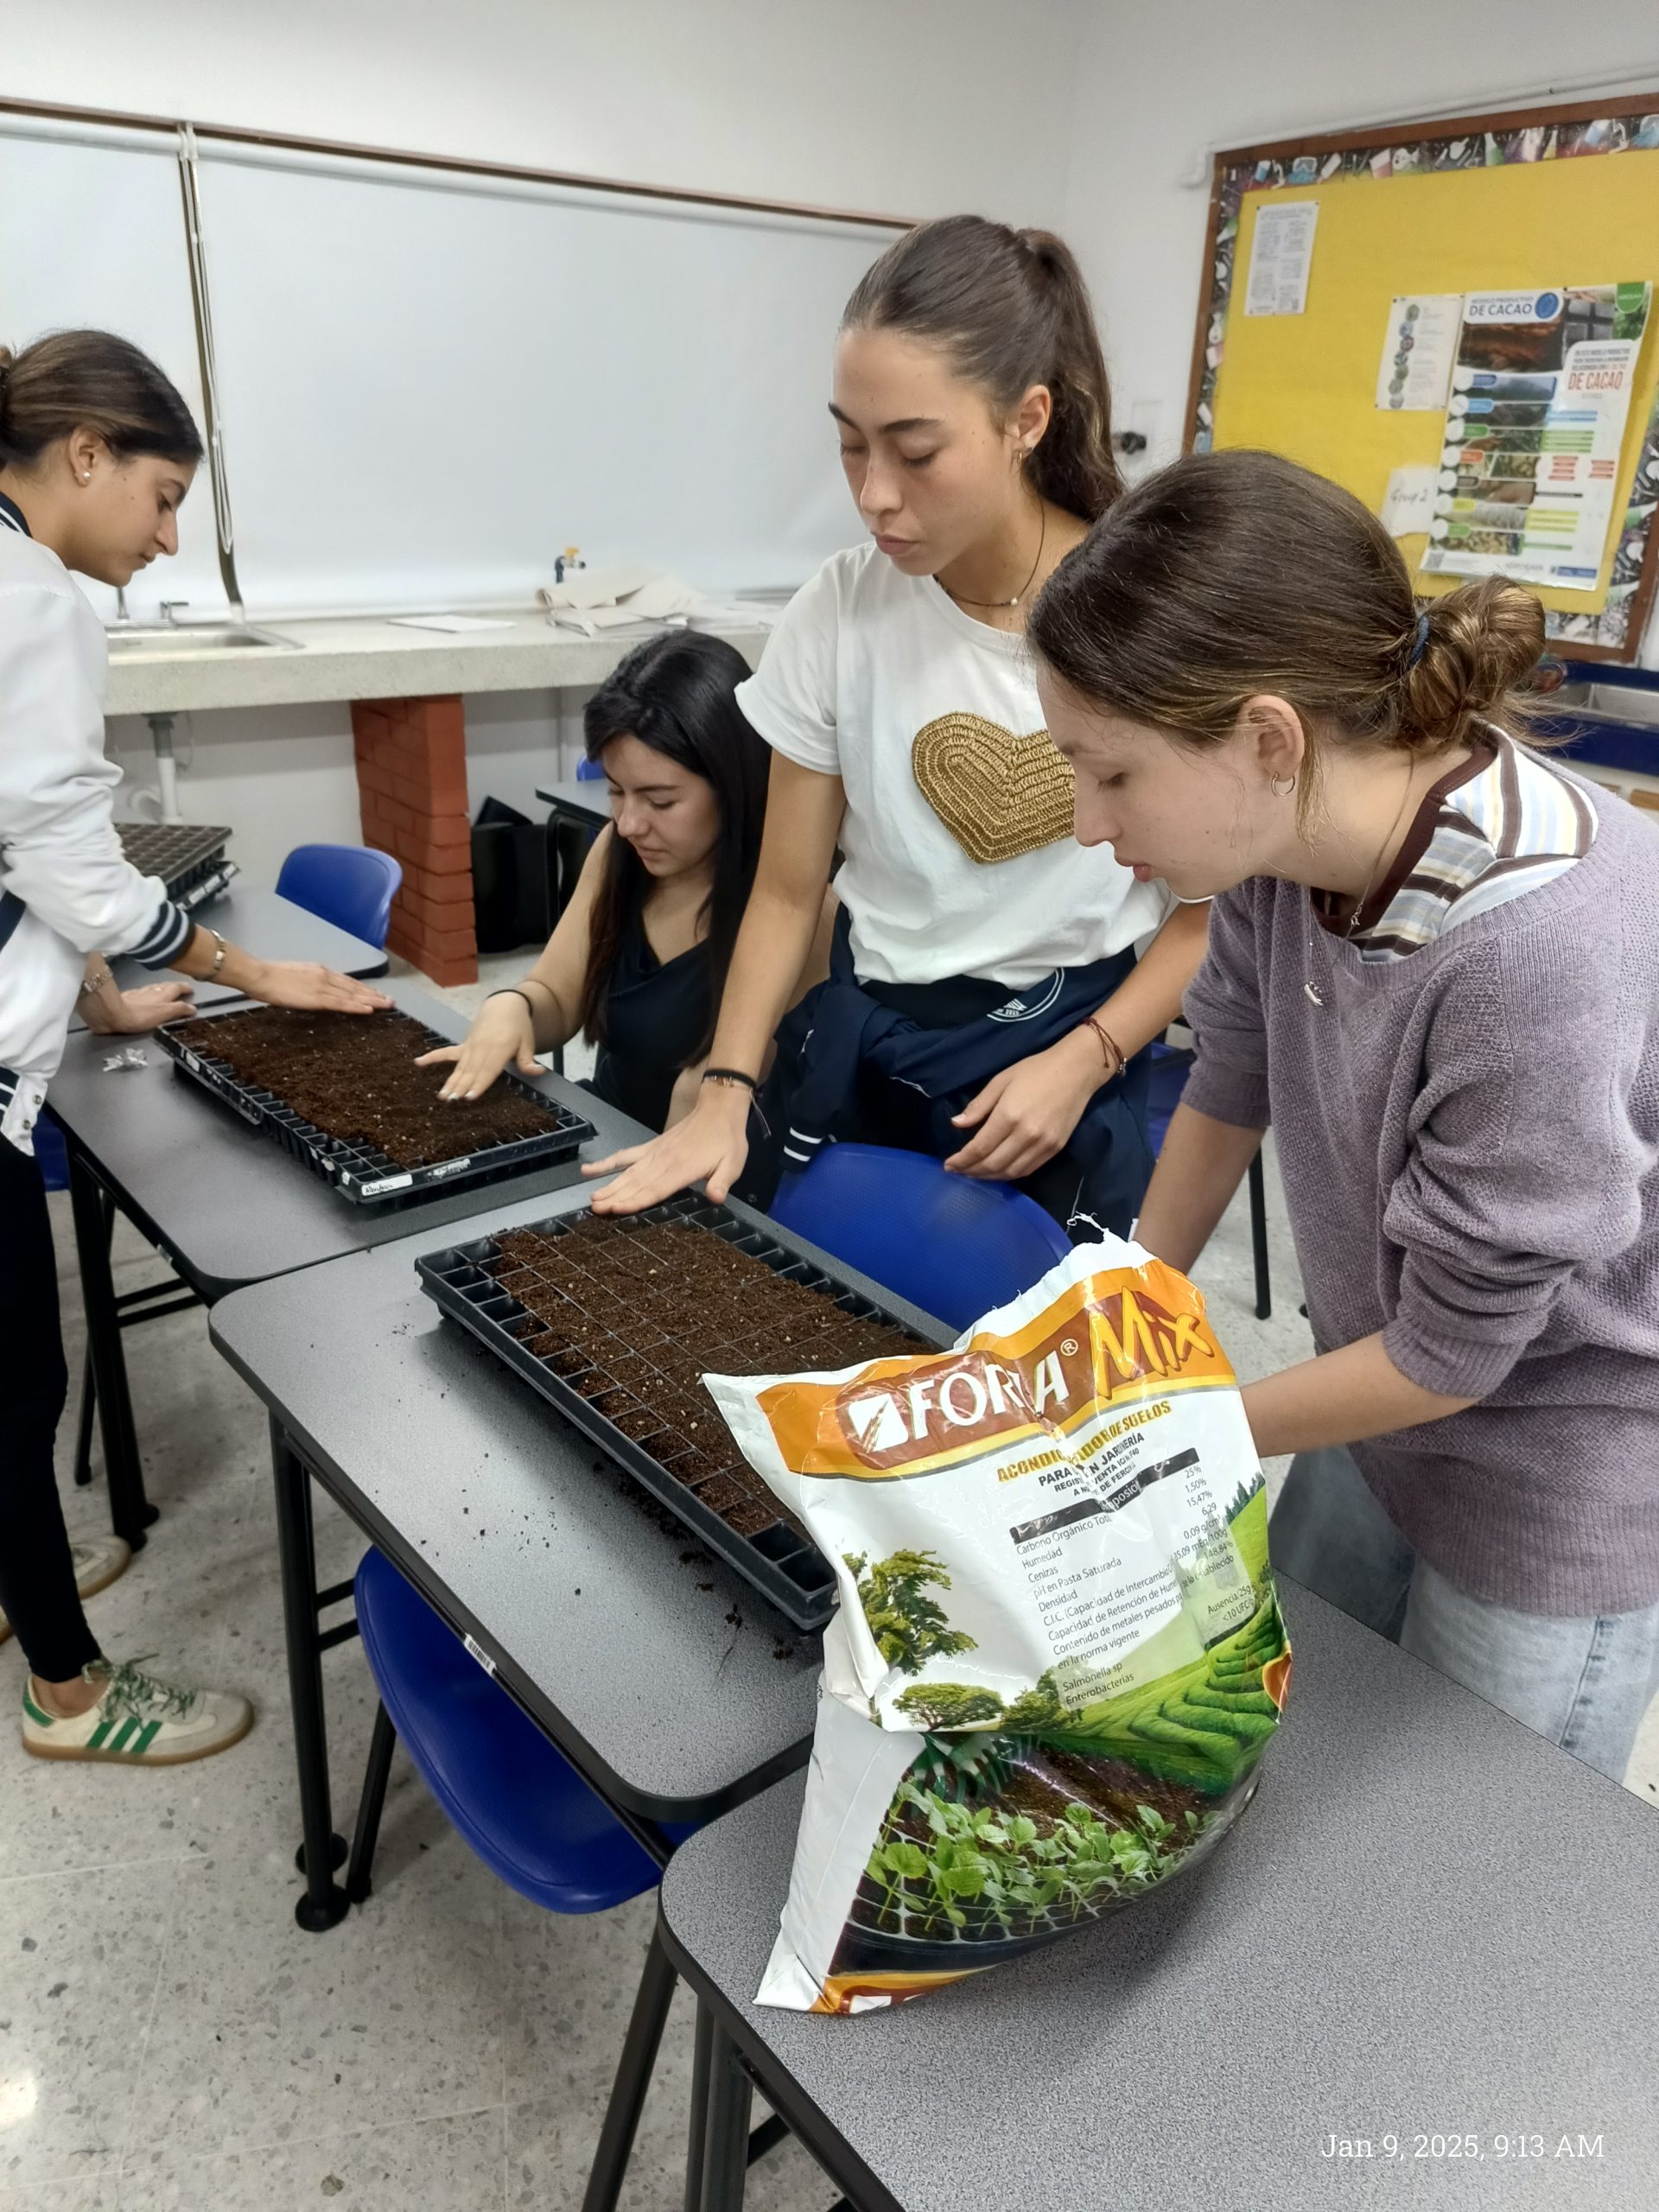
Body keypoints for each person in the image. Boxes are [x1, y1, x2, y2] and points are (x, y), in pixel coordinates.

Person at [1029, 446, 1659, 1783]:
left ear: (1267, 736)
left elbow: (1457, 1355)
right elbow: (1229, 1084)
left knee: (1460, 1856)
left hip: (1552, 1466)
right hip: (1382, 1405)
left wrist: (1157, 1436)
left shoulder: (1530, 950)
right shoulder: (1278, 842)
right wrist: (1124, 1316)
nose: (1089, 821)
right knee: (1297, 1738)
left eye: (1113, 774)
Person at [586, 216, 1210, 1231]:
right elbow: (789, 893)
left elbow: (1207, 912)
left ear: (1028, 419)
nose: (875, 494)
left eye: (916, 451)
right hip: (871, 1036)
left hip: (1071, 1051)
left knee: (1010, 1368)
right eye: (848, 444)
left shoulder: (1143, 617)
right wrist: (727, 1087)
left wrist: (1081, 1061)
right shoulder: (840, 608)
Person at [0, 328, 391, 1764]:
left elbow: (26, 848)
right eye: (162, 498)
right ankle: (68, 1689)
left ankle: (15, 1574)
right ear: (84, 454)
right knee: (16, 1387)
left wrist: (92, 997)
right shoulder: (32, 600)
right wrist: (245, 966)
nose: (169, 539)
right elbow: (77, 869)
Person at [419, 631, 830, 1136]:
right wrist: (513, 1008)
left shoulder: (795, 905)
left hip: (715, 1166)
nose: (629, 823)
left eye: (660, 802)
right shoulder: (619, 853)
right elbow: (557, 994)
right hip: (609, 1129)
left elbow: (709, 1104)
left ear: (734, 783)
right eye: (616, 791)